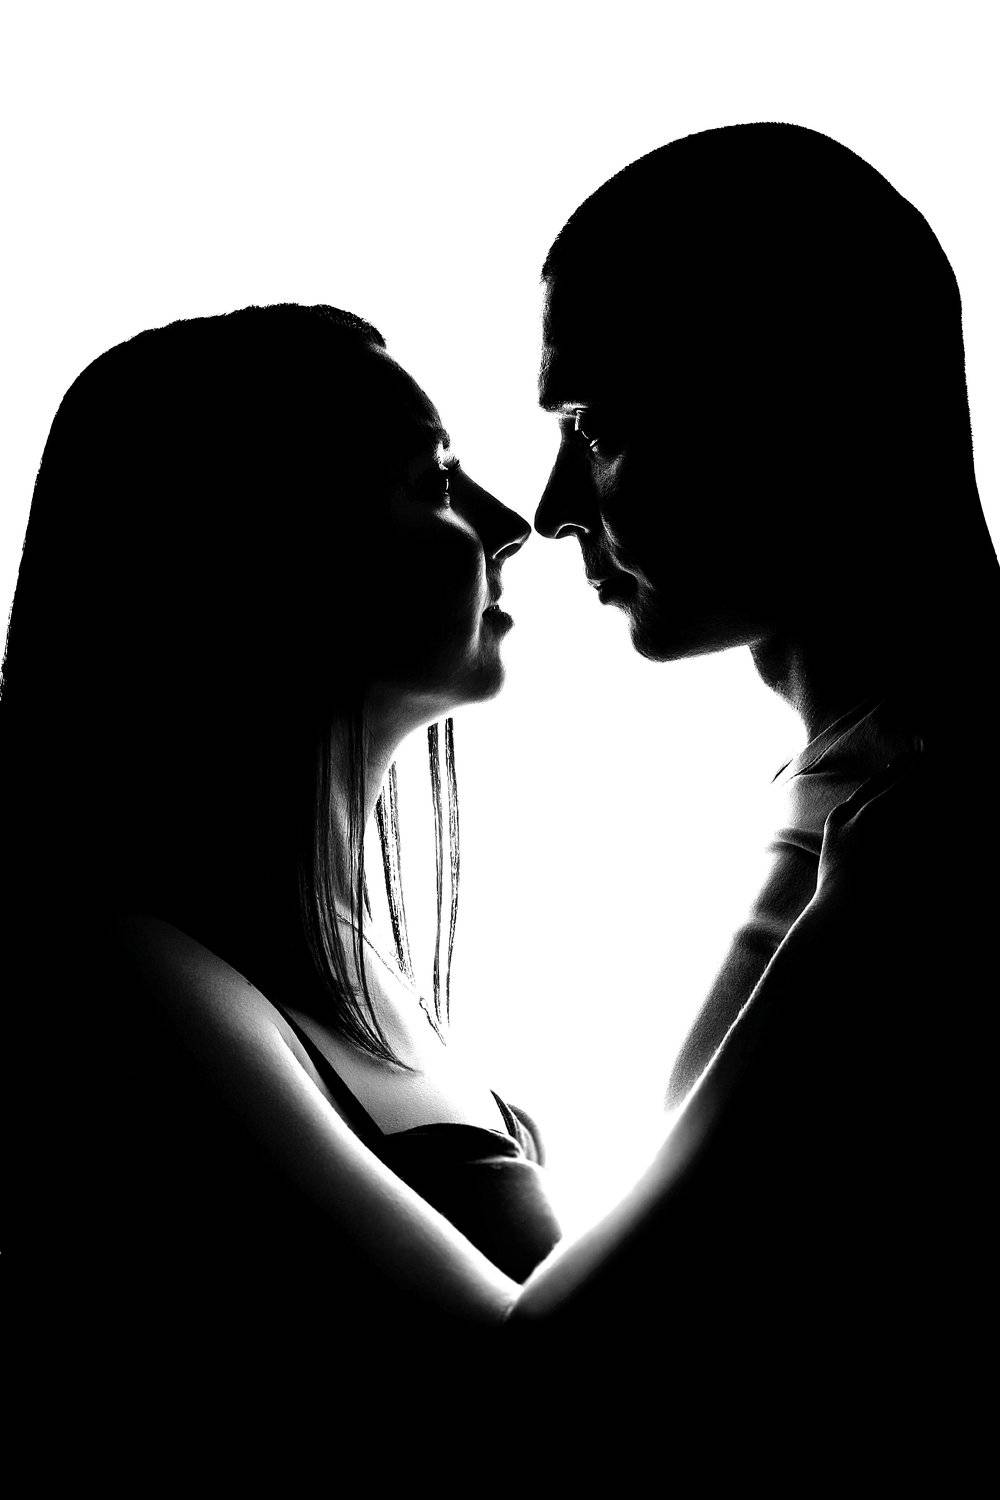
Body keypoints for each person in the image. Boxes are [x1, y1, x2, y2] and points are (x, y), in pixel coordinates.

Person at [528, 123, 997, 1419]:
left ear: (795, 405)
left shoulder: (943, 834)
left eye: (597, 424)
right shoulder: (862, 797)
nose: (556, 505)